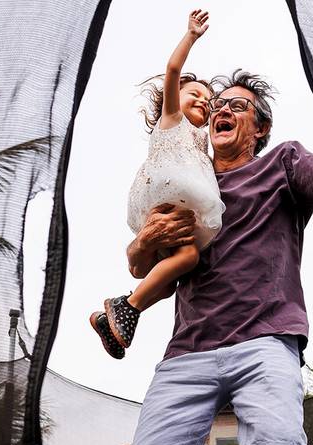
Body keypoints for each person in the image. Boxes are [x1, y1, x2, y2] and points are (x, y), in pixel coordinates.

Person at [121, 67, 313, 445]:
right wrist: (143, 239)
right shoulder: (189, 188)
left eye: (237, 106)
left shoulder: (283, 163)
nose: (222, 110)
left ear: (260, 128)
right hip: (187, 352)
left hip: (266, 341)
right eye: (218, 106)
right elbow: (147, 270)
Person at [89, 10, 224, 358]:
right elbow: (174, 71)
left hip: (182, 205)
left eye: (208, 102)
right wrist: (191, 37)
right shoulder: (172, 119)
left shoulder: (199, 140)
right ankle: (127, 306)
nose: (204, 102)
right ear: (175, 98)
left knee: (167, 284)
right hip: (168, 196)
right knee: (190, 256)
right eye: (195, 94)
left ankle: (113, 320)